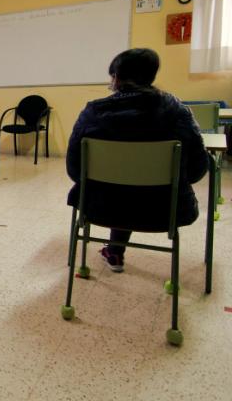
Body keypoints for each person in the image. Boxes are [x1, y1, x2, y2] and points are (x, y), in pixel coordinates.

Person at [66, 48, 208, 273]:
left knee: (120, 192)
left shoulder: (92, 113)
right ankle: (115, 249)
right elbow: (198, 169)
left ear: (116, 78)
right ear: (151, 76)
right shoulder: (177, 112)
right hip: (164, 209)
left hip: (100, 206)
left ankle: (114, 250)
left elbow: (75, 170)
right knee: (133, 192)